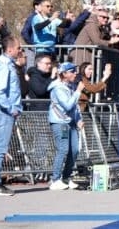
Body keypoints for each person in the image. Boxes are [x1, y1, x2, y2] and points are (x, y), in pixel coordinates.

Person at [0, 35, 24, 196]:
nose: (20, 50)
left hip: (6, 111)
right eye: (18, 48)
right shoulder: (3, 65)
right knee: (0, 148)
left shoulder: (8, 64)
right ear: (9, 49)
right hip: (4, 112)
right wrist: (10, 108)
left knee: (1, 147)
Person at [47, 62, 84, 190]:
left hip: (71, 122)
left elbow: (75, 106)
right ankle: (55, 179)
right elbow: (68, 105)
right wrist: (78, 91)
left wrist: (79, 118)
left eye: (75, 71)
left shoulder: (70, 86)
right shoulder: (58, 88)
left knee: (74, 150)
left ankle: (66, 178)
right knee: (63, 149)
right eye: (72, 71)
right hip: (60, 122)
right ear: (64, 74)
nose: (75, 73)